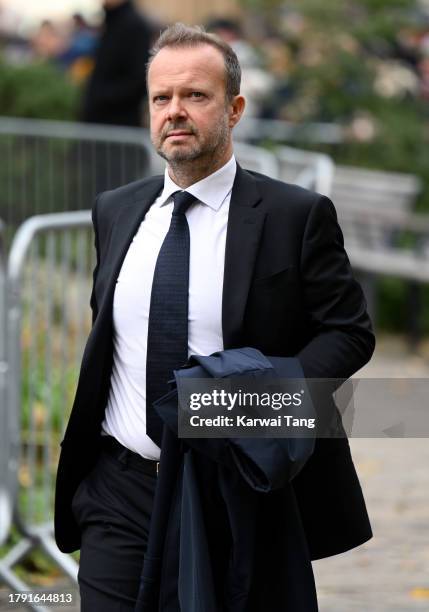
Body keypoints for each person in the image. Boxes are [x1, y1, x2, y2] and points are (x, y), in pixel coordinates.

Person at [54, 22, 376, 611]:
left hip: (230, 487)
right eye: (162, 98)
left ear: (234, 108)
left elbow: (349, 333)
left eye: (195, 96)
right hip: (120, 490)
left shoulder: (293, 215)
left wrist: (258, 401)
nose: (175, 111)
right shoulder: (116, 211)